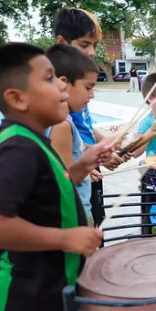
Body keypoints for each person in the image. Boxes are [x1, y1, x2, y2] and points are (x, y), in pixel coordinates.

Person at [0, 43, 109, 311]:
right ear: (17, 98)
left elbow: (51, 191)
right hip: (30, 305)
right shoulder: (20, 148)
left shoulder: (32, 141)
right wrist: (65, 238)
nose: (62, 85)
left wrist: (82, 164)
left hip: (47, 296)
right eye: (49, 79)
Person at [54, 7, 126, 226]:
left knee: (94, 220)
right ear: (61, 42)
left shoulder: (76, 83)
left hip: (86, 165)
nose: (93, 52)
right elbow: (66, 141)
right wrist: (93, 156)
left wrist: (104, 141)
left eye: (94, 45)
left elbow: (83, 125)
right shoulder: (65, 91)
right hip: (77, 169)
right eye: (84, 44)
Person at [45, 44, 101, 221]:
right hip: (75, 216)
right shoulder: (62, 125)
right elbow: (63, 184)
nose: (92, 95)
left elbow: (65, 167)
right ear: (63, 83)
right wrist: (89, 162)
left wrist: (87, 167)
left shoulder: (56, 120)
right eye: (88, 87)